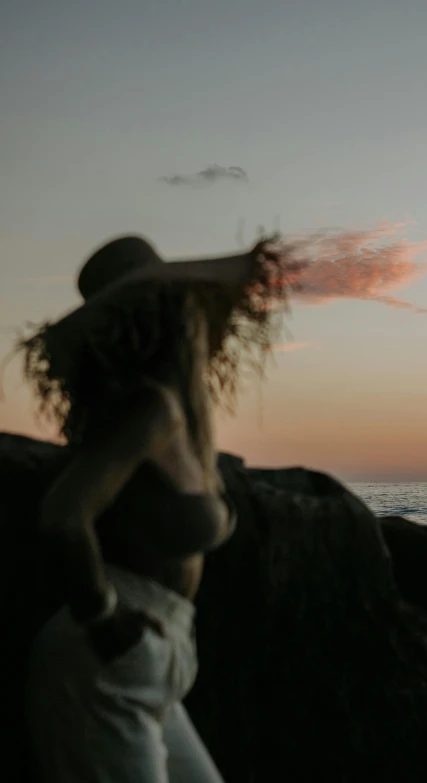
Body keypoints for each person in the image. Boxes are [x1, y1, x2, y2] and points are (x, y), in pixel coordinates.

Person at [16, 234, 288, 783]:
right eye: (180, 304)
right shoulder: (151, 409)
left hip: (154, 657)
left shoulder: (174, 416)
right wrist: (103, 618)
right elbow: (64, 514)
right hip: (107, 657)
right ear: (164, 316)